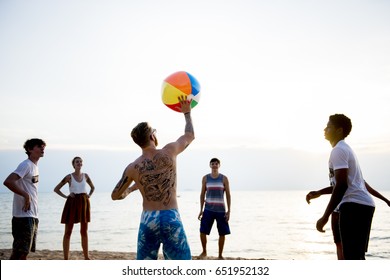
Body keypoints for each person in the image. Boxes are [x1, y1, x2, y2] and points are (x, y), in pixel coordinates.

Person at [111, 95, 194, 260]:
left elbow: (115, 195)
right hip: (171, 216)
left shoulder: (133, 167)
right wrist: (187, 113)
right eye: (154, 131)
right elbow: (189, 135)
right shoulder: (170, 151)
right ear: (152, 137)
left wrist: (133, 188)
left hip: (149, 219)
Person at [316, 114, 376, 260]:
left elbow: (341, 186)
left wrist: (325, 216)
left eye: (329, 126)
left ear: (339, 130)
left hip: (353, 206)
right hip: (364, 205)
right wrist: (319, 192)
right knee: (356, 256)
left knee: (351, 257)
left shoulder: (338, 150)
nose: (325, 129)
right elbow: (345, 183)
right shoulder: (346, 149)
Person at [306, 183, 390, 259]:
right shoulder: (334, 170)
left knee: (354, 250)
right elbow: (336, 188)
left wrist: (386, 200)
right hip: (336, 210)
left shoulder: (350, 171)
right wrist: (319, 192)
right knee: (339, 243)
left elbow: (365, 187)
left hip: (349, 208)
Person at [3, 138, 46, 260]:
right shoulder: (26, 165)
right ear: (29, 149)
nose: (43, 148)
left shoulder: (34, 166)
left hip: (31, 215)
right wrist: (26, 195)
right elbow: (8, 182)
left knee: (23, 252)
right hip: (23, 216)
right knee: (20, 253)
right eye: (39, 146)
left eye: (43, 146)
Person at [54, 156, 95, 260]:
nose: (79, 163)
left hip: (84, 202)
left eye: (81, 162)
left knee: (84, 231)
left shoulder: (86, 176)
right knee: (68, 232)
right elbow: (56, 189)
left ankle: (87, 257)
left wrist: (88, 195)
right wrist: (66, 196)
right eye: (77, 162)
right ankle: (66, 259)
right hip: (72, 203)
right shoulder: (69, 177)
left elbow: (93, 187)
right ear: (73, 164)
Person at [198, 158, 231, 260]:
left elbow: (228, 195)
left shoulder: (224, 178)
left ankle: (220, 255)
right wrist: (201, 209)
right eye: (213, 164)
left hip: (221, 210)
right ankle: (204, 252)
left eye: (216, 164)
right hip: (208, 209)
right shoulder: (205, 178)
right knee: (202, 231)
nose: (214, 165)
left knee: (222, 233)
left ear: (219, 165)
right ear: (210, 165)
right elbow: (202, 194)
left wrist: (229, 211)